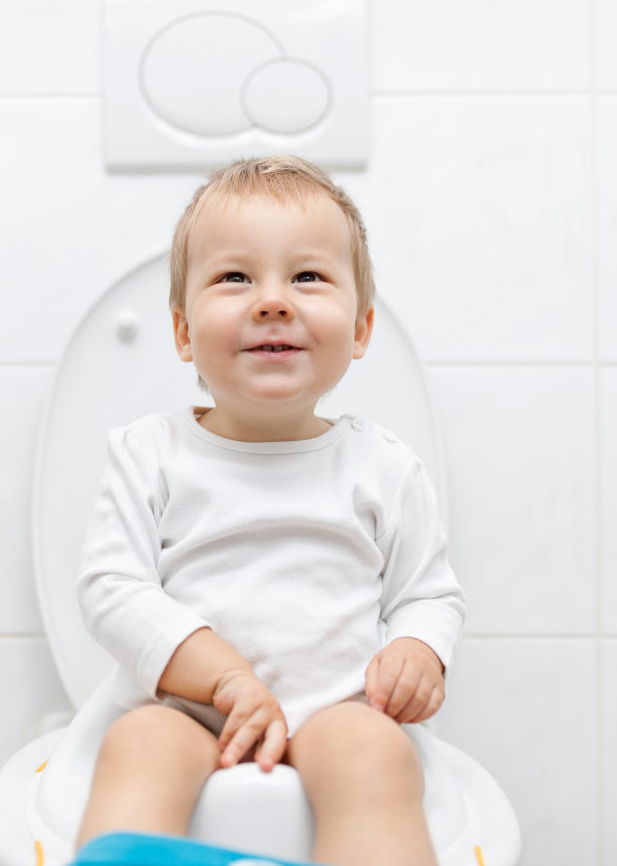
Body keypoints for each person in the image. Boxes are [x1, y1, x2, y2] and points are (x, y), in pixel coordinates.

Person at [74, 156, 466, 866]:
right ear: (184, 331)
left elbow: (427, 594)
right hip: (191, 716)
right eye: (234, 277)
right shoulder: (149, 454)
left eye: (308, 276)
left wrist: (418, 650)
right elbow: (112, 591)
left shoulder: (383, 467)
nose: (272, 301)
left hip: (339, 715)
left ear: (361, 329)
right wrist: (222, 678)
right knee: (136, 742)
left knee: (376, 753)